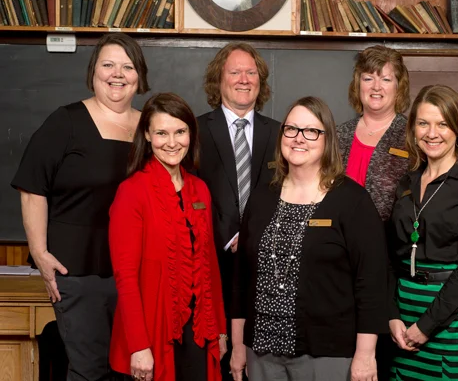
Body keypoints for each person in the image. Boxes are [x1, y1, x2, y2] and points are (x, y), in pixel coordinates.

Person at [11, 33, 149, 381]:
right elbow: (32, 188)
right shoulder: (66, 121)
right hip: (79, 272)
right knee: (90, 370)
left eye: (127, 66)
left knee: (130, 371)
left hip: (136, 274)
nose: (117, 74)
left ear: (140, 76)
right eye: (108, 64)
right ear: (93, 72)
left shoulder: (150, 128)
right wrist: (40, 253)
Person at [230, 96, 388, 381]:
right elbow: (242, 279)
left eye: (311, 131)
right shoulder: (263, 197)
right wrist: (239, 346)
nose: (299, 138)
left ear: (327, 139)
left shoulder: (352, 201)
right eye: (291, 129)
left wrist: (366, 355)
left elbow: (372, 283)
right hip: (261, 352)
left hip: (326, 354)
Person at [109, 93, 227, 381]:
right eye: (161, 133)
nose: (172, 143)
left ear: (191, 134)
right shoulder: (132, 192)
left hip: (199, 332)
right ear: (147, 135)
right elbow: (125, 276)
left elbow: (210, 264)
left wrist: (220, 329)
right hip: (152, 332)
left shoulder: (200, 190)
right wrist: (139, 346)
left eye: (180, 132)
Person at [388, 85, 458, 380]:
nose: (431, 133)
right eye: (423, 123)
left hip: (453, 318)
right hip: (404, 312)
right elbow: (390, 257)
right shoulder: (407, 183)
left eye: (442, 124)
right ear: (413, 129)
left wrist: (426, 326)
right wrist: (391, 315)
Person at [197, 42, 280, 380]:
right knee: (213, 361)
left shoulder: (281, 134)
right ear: (219, 80)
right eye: (235, 72)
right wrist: (229, 235)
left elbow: (285, 194)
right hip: (210, 264)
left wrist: (251, 237)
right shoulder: (194, 130)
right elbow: (189, 194)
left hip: (265, 269)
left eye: (251, 72)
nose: (244, 79)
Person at [337, 44, 410, 220]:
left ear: (398, 87)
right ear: (358, 84)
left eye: (386, 79)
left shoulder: (411, 136)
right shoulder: (339, 134)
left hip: (391, 241)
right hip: (338, 238)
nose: (376, 87)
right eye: (368, 78)